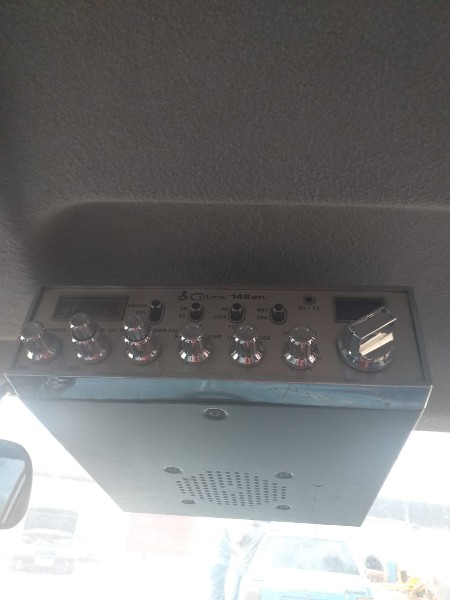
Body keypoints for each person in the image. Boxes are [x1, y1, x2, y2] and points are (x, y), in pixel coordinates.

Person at [230, 521, 267, 600]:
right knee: (248, 591)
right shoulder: (263, 532)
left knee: (236, 589)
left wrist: (236, 554)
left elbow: (235, 542)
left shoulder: (246, 530)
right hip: (253, 566)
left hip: (242, 563)